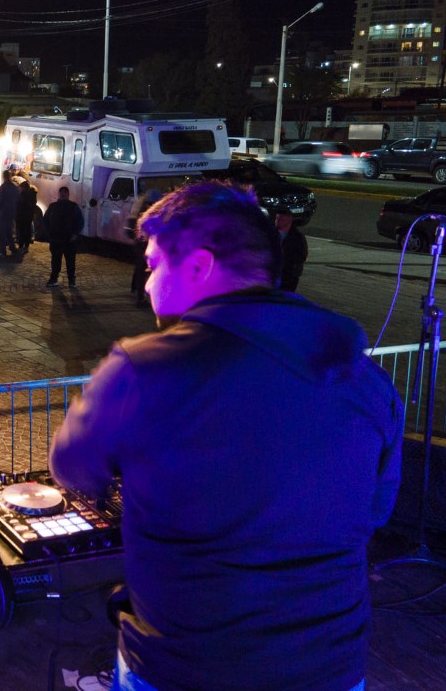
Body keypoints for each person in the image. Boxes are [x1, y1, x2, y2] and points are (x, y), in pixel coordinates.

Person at [49, 181, 402, 691]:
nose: (147, 284)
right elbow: (373, 511)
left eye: (153, 266)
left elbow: (73, 466)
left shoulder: (145, 367)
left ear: (198, 268)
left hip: (188, 665)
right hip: (331, 666)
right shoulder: (366, 378)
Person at [43, 186, 84, 288]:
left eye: (65, 193)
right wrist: (49, 233)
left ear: (67, 195)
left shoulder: (73, 207)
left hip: (68, 239)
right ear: (59, 194)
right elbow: (45, 221)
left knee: (69, 261)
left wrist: (75, 234)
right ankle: (55, 279)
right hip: (57, 239)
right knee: (56, 261)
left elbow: (80, 222)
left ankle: (70, 280)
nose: (63, 195)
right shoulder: (53, 206)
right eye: (62, 193)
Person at [275, 205, 308, 292]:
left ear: (289, 220)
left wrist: (293, 271)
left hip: (288, 277)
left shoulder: (297, 237)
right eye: (277, 218)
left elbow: (302, 255)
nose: (278, 221)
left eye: (281, 219)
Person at [0, 170, 20, 258]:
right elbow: (17, 199)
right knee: (9, 232)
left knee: (0, 233)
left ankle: (2, 251)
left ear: (3, 177)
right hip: (11, 212)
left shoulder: (3, 187)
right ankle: (13, 249)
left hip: (3, 213)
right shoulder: (14, 187)